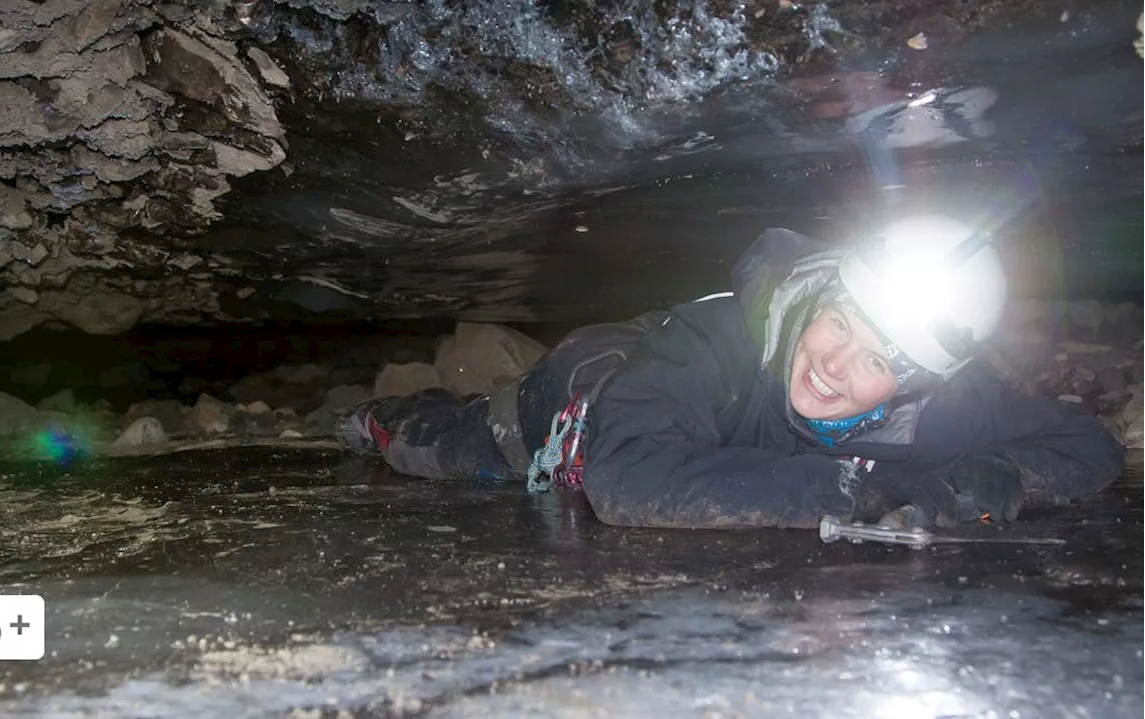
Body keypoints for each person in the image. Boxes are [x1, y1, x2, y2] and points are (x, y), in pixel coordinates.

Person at [336, 215, 1124, 529]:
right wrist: (858, 489)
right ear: (818, 294)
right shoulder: (716, 343)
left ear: (917, 383)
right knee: (450, 446)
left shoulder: (940, 407)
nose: (832, 366)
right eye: (838, 323)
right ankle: (384, 414)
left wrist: (1005, 475)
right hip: (583, 398)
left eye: (878, 359)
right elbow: (628, 480)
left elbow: (1088, 443)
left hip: (659, 395)